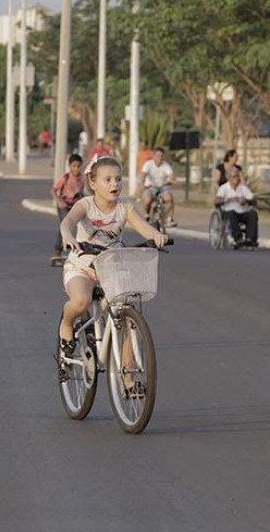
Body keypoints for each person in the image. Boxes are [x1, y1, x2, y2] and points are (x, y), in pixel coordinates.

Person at [58, 156, 167, 392]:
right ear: (93, 183)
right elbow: (68, 222)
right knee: (81, 301)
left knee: (125, 314)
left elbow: (142, 226)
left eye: (118, 179)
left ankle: (128, 377)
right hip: (83, 267)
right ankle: (67, 324)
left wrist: (156, 235)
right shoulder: (86, 205)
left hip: (112, 268)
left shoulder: (124, 207)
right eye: (107, 179)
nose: (114, 184)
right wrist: (67, 235)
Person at [50, 154, 85, 265]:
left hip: (75, 206)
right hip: (64, 205)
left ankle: (80, 249)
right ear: (69, 166)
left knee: (82, 226)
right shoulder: (65, 178)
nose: (76, 169)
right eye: (74, 166)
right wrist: (59, 201)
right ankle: (57, 251)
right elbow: (53, 190)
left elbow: (81, 193)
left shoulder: (82, 179)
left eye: (78, 166)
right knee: (65, 226)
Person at [215, 168, 258, 248]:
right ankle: (238, 238)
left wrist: (245, 200)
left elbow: (253, 200)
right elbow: (217, 201)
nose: (237, 178)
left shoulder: (243, 188)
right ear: (229, 178)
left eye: (238, 176)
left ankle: (250, 239)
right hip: (229, 211)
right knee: (232, 214)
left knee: (253, 214)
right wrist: (227, 199)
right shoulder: (224, 188)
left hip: (242, 211)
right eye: (234, 177)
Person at [139, 147, 177, 227]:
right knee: (147, 201)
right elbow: (143, 174)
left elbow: (171, 175)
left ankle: (169, 219)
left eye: (161, 156)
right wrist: (142, 184)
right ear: (154, 156)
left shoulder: (166, 165)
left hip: (162, 186)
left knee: (169, 199)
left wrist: (172, 180)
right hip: (150, 186)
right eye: (158, 156)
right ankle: (147, 214)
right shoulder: (148, 164)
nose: (160, 158)